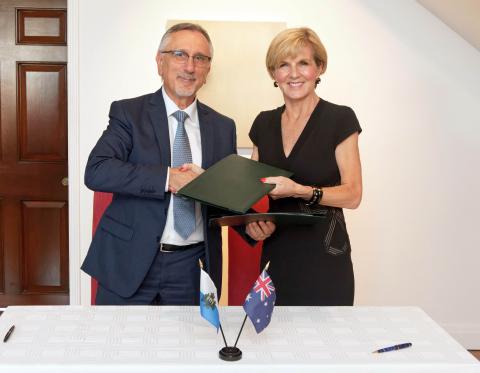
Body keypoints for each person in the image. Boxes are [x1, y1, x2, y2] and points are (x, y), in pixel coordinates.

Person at [81, 23, 237, 305]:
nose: (189, 66)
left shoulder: (224, 127)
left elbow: (224, 195)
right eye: (180, 54)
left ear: (207, 69)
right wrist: (168, 178)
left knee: (188, 350)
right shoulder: (128, 113)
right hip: (128, 261)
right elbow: (97, 170)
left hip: (194, 267)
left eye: (199, 58)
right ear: (160, 61)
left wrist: (250, 223)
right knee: (118, 347)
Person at [246, 27, 362, 306]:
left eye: (303, 63)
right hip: (277, 253)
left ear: (319, 67)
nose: (293, 74)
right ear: (274, 74)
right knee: (274, 343)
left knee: (327, 343)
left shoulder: (340, 119)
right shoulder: (263, 123)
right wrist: (253, 223)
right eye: (283, 65)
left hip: (325, 254)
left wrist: (302, 190)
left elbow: (353, 194)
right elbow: (249, 190)